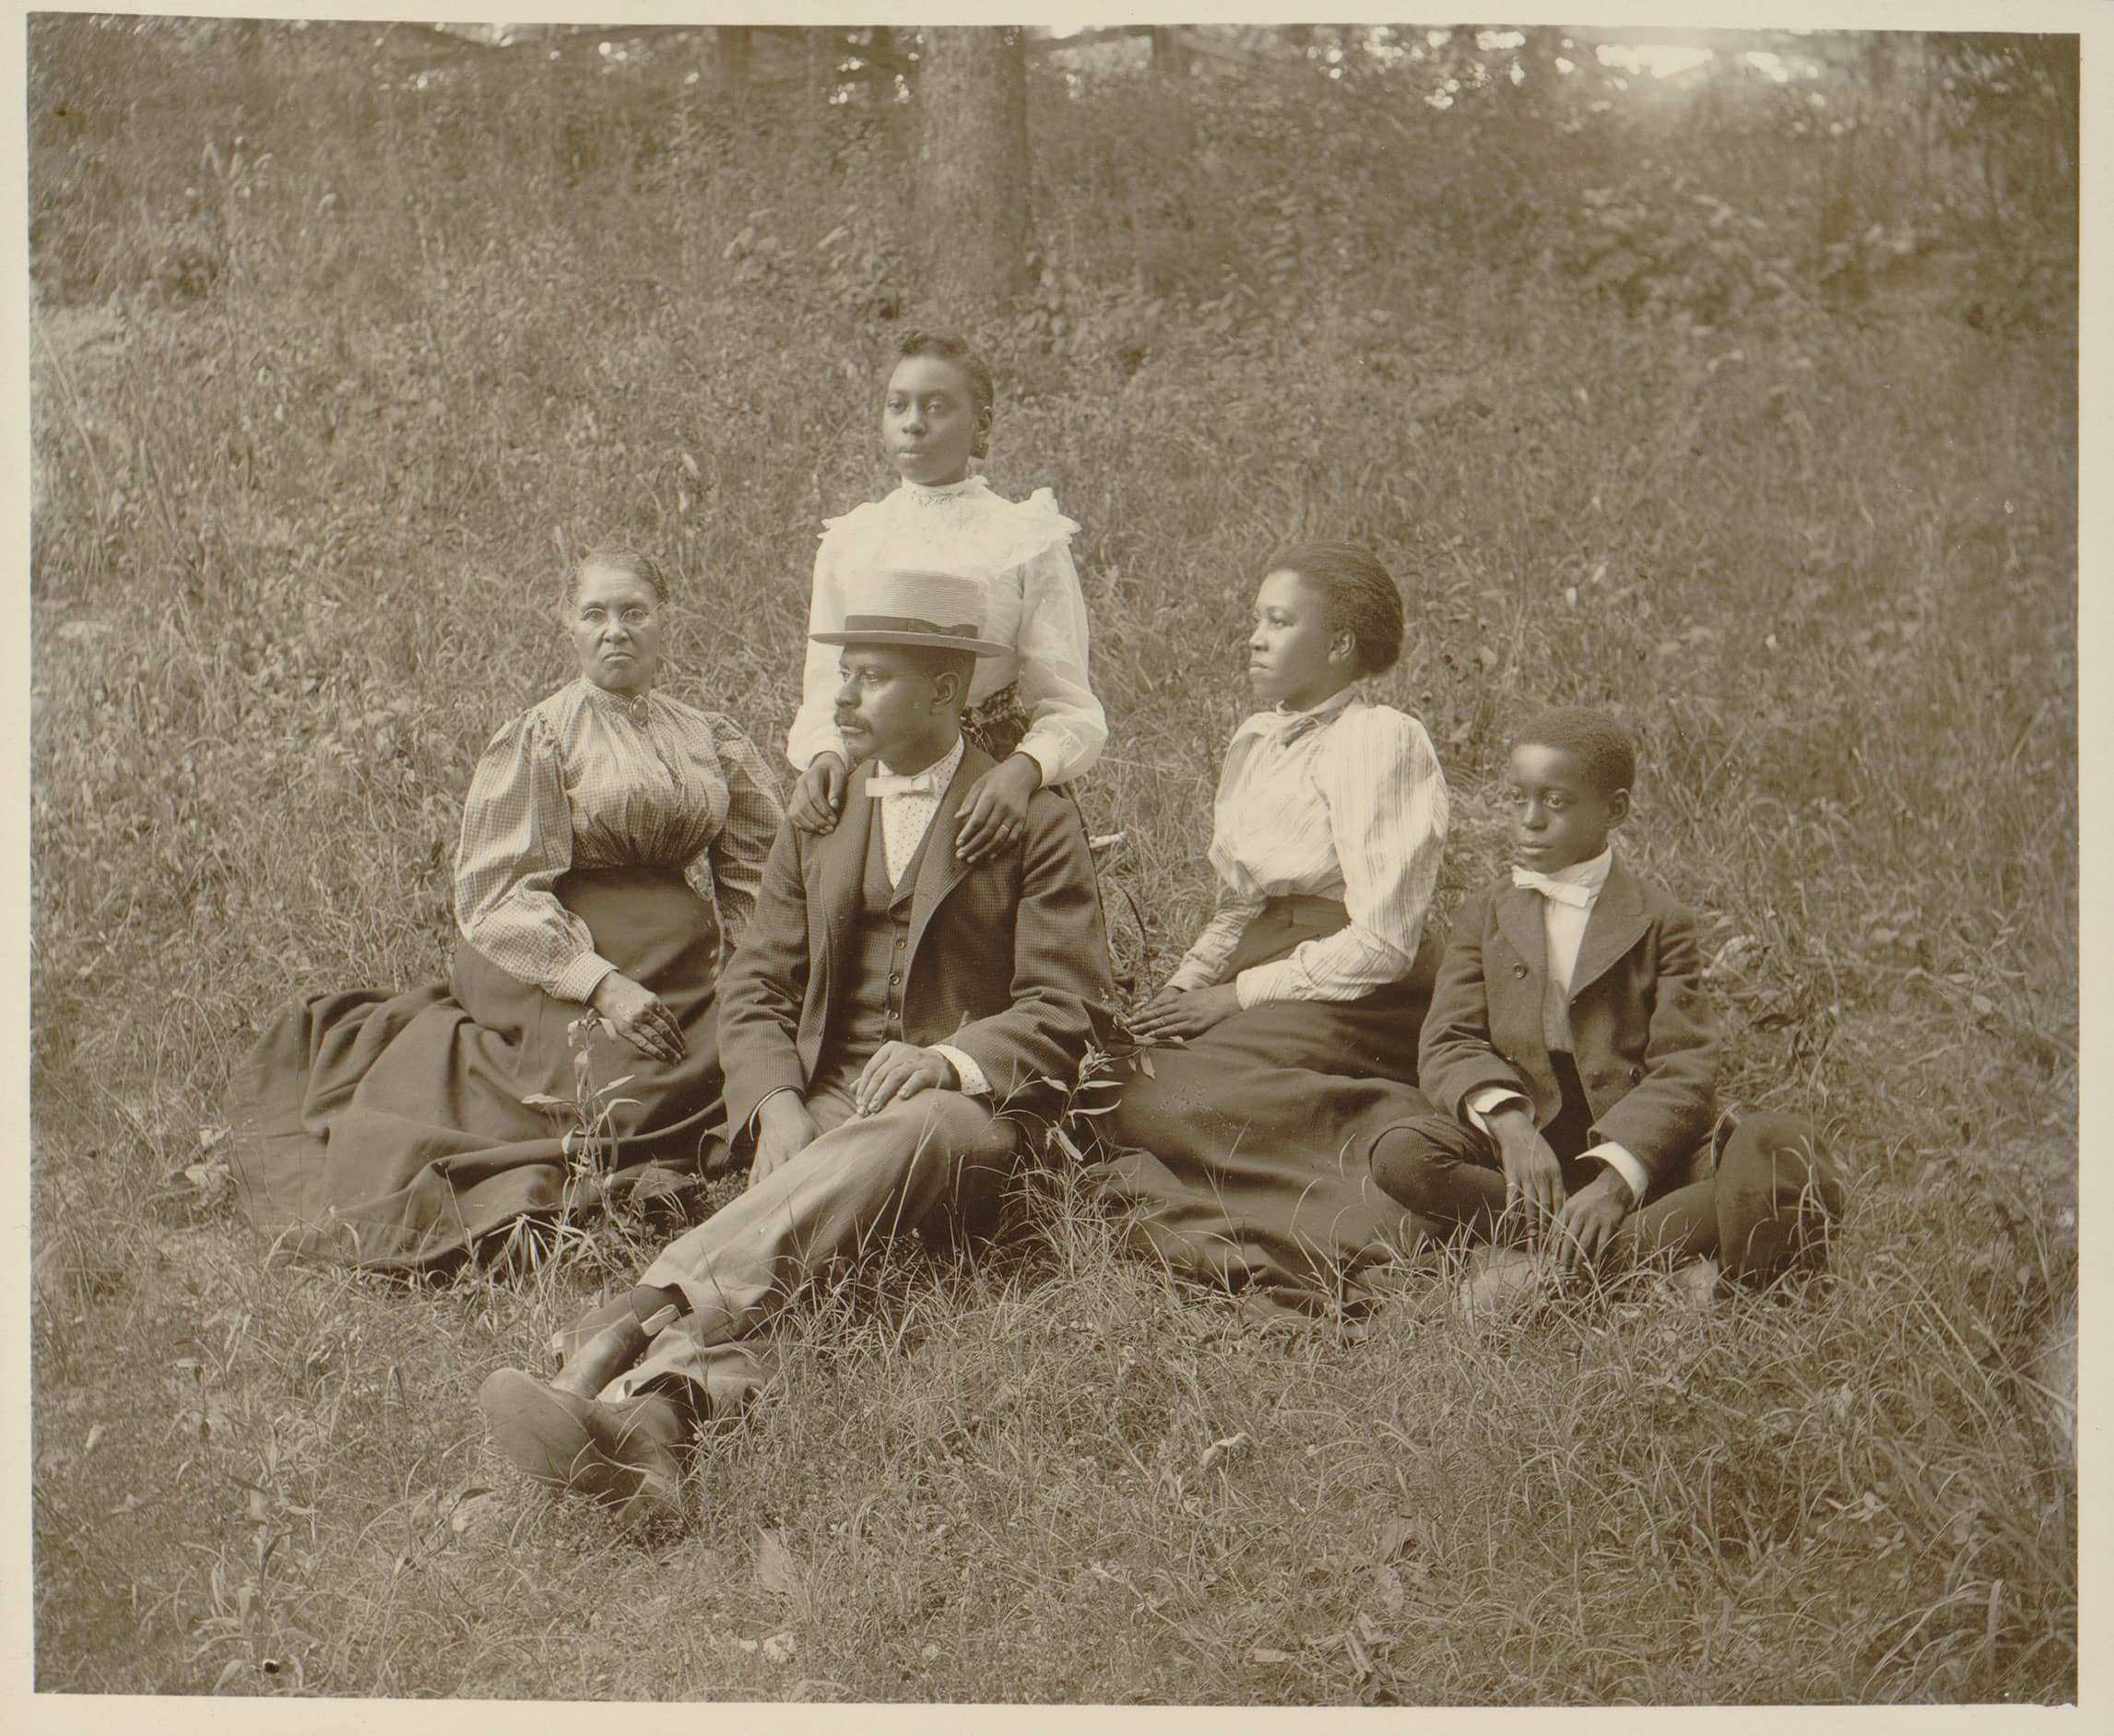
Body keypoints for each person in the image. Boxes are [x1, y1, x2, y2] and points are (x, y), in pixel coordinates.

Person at [477, 568, 1115, 1527]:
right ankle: (657, 1421)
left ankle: (623, 1318)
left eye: (871, 678)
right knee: (823, 1257)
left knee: (917, 1126)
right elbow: (756, 984)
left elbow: (1069, 1004)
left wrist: (951, 1058)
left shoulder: (1029, 814)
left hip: (965, 1121)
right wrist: (775, 1099)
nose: (843, 698)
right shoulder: (819, 814)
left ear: (946, 691)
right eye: (843, 674)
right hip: (826, 1103)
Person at [226, 548, 784, 1272]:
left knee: (739, 1045)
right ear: (569, 627)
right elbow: (495, 892)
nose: (615, 630)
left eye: (634, 612)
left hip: (677, 957)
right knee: (627, 1085)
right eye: (595, 614)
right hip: (547, 951)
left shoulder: (708, 736)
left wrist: (752, 967)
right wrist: (599, 983)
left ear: (664, 623)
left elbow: (755, 873)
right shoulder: (543, 735)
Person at [1368, 707, 1842, 1305]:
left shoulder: (1660, 920)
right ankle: (1634, 1264)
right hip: (1533, 1150)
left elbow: (1685, 1065)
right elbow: (1447, 1039)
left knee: (1777, 1152)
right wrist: (1511, 1126)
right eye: (1519, 799)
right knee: (1399, 1152)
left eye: (1556, 802)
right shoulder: (1487, 912)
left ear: (1612, 811)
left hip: (1642, 1155)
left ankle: (1562, 1267)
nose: (1529, 822)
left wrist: (1618, 1181)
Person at [1086, 543, 1449, 1317]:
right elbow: (1238, 910)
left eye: (1279, 622)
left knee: (1166, 1098)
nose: (1253, 637)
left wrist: (1231, 1000)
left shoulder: (1378, 738)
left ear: (1339, 644)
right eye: (1256, 619)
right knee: (1114, 1080)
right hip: (1262, 969)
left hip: (1356, 986)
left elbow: (1384, 938)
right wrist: (1180, 990)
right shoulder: (1256, 739)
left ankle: (1378, 1203)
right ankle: (1255, 1231)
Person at [785, 329, 1106, 868]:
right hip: (876, 762)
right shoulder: (852, 540)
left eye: (936, 406)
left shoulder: (1024, 538)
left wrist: (1023, 771)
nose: (912, 422)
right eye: (897, 405)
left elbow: (1067, 702)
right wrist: (825, 753)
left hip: (990, 771)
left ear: (981, 426)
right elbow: (826, 684)